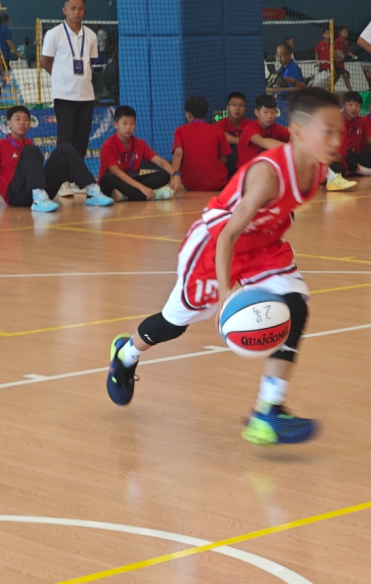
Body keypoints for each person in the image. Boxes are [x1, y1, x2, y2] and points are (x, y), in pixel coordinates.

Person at [106, 87, 345, 446]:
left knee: (295, 306)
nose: (337, 140)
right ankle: (125, 355)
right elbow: (227, 235)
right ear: (297, 131)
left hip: (262, 244)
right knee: (173, 325)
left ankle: (268, 411)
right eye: (328, 131)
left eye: (339, 131)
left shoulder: (318, 167)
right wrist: (226, 296)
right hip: (215, 245)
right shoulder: (269, 175)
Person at [0, 106, 114, 212]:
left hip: (38, 191)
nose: (22, 123)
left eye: (26, 119)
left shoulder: (29, 143)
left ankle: (92, 191)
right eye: (17, 119)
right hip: (15, 195)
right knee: (31, 150)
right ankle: (38, 199)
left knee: (64, 149)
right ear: (9, 123)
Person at [42, 0, 99, 195]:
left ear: (85, 10)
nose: (77, 12)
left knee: (81, 140)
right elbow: (46, 62)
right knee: (65, 140)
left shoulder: (91, 35)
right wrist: (62, 78)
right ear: (64, 10)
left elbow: (90, 61)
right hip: (64, 96)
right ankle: (62, 182)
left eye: (80, 8)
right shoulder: (54, 34)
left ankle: (75, 179)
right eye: (73, 8)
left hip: (86, 96)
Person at [98, 106, 176, 202]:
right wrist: (141, 187)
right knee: (107, 178)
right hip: (113, 184)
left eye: (132, 123)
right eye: (124, 123)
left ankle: (125, 195)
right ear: (115, 124)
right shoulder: (108, 145)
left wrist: (175, 174)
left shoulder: (140, 143)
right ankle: (154, 195)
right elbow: (115, 171)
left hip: (131, 181)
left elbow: (160, 161)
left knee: (165, 174)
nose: (128, 127)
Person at [172, 95, 231, 192]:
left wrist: (174, 176)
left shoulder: (180, 130)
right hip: (217, 183)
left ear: (189, 115)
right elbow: (224, 159)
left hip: (190, 184)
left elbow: (178, 153)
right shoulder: (218, 131)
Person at [334, 90, 371, 177]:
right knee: (339, 166)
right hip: (340, 156)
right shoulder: (336, 120)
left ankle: (354, 169)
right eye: (350, 105)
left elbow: (370, 141)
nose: (354, 108)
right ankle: (364, 171)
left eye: (357, 105)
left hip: (355, 157)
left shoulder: (362, 121)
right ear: (343, 106)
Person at [237, 94, 291, 170]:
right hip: (247, 172)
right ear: (256, 112)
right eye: (265, 112)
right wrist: (291, 149)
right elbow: (261, 141)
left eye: (273, 112)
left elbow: (292, 137)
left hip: (266, 171)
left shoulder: (275, 128)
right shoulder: (250, 128)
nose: (269, 116)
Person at [217, 92, 252, 175]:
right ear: (227, 108)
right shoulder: (220, 125)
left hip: (246, 166)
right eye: (233, 105)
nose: (237, 108)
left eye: (241, 105)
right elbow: (220, 135)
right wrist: (241, 142)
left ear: (245, 109)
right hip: (228, 168)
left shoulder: (250, 124)